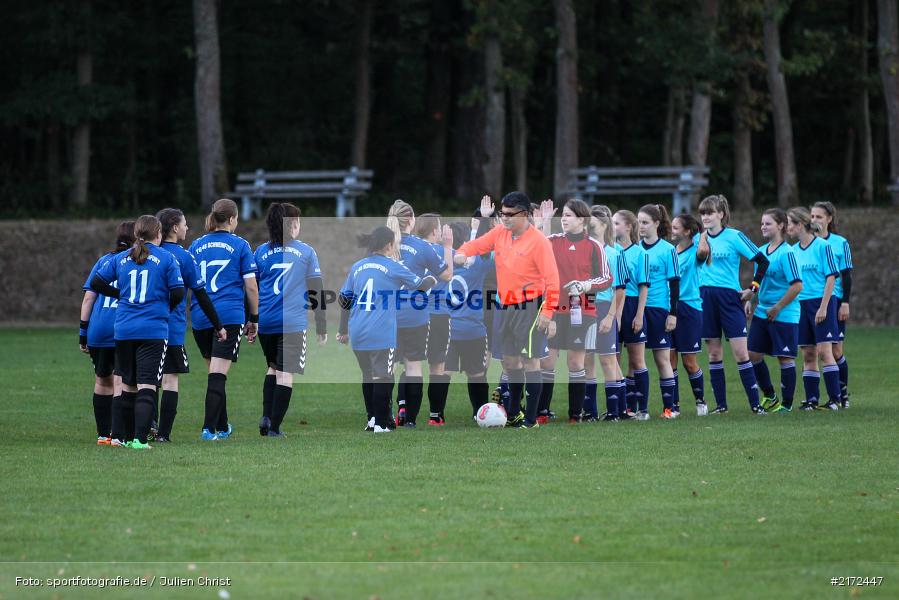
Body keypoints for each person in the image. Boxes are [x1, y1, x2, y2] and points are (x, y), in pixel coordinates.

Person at [454, 191, 561, 428]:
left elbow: (553, 280)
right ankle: (514, 413)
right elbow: (476, 245)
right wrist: (461, 253)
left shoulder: (539, 242)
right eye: (502, 213)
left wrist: (547, 312)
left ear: (524, 214)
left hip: (530, 307)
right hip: (504, 306)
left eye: (509, 214)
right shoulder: (500, 233)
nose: (504, 218)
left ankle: (531, 420)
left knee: (531, 362)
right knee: (510, 362)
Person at [90, 215, 185, 449]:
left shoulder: (122, 258)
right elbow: (179, 292)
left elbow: (97, 283)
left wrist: (121, 295)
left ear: (136, 235)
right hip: (153, 329)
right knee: (148, 385)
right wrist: (164, 307)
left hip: (123, 329)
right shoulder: (166, 257)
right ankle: (140, 440)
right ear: (159, 234)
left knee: (128, 385)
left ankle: (126, 437)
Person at [337, 226, 436, 432]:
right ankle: (381, 424)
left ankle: (372, 419)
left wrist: (343, 329)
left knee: (367, 374)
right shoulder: (393, 266)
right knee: (383, 376)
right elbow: (420, 287)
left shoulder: (358, 266)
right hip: (380, 331)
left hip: (358, 329)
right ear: (389, 245)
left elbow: (344, 299)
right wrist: (431, 280)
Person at [189, 198, 259, 440]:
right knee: (218, 373)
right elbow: (251, 287)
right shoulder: (240, 245)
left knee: (215, 372)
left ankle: (222, 425)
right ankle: (208, 429)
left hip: (200, 316)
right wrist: (254, 318)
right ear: (231, 219)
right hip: (228, 316)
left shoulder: (196, 245)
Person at [254, 203, 327, 437]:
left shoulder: (261, 252)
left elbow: (251, 288)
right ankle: (274, 428)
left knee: (272, 367)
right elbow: (316, 290)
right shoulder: (306, 252)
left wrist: (251, 319)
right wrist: (321, 325)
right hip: (292, 323)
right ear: (293, 224)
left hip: (266, 321)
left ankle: (266, 418)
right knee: (286, 374)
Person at [154, 208, 225, 442]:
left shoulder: (145, 253)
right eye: (184, 224)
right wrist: (218, 325)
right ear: (174, 228)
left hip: (142, 325)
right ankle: (163, 434)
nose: (187, 228)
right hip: (170, 328)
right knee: (170, 379)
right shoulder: (183, 257)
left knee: (146, 380)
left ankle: (145, 429)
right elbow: (201, 295)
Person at [695, 195, 770, 414]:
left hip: (730, 298)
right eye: (702, 213)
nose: (705, 217)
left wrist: (752, 289)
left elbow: (762, 260)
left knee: (741, 353)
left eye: (709, 212)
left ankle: (756, 405)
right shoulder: (700, 238)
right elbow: (697, 264)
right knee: (714, 354)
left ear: (721, 214)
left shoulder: (734, 236)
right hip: (705, 297)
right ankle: (721, 406)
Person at [539, 199, 612, 423]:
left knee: (575, 363)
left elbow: (607, 278)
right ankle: (542, 411)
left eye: (569, 215)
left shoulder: (594, 246)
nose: (565, 219)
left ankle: (575, 415)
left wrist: (586, 285)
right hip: (553, 310)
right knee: (547, 361)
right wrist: (543, 223)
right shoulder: (551, 241)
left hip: (583, 312)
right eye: (564, 215)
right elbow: (533, 247)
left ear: (582, 219)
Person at [386, 200, 452, 428]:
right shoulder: (422, 247)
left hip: (386, 315)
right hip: (414, 315)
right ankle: (410, 420)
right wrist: (447, 247)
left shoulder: (381, 244)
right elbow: (446, 276)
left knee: (387, 367)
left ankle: (382, 415)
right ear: (412, 220)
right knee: (413, 366)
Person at [79, 221, 134, 445]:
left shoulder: (103, 261)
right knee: (121, 382)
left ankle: (103, 434)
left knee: (102, 380)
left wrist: (83, 332)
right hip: (122, 328)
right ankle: (119, 435)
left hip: (98, 330)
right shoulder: (135, 261)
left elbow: (88, 298)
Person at [743, 208, 803, 412]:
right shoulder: (761, 252)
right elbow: (759, 281)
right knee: (752, 355)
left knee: (784, 358)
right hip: (763, 311)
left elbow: (797, 286)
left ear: (781, 225)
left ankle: (786, 405)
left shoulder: (787, 253)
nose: (763, 227)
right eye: (761, 223)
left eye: (767, 223)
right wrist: (752, 299)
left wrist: (778, 307)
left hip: (785, 313)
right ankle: (771, 397)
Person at [786, 207, 842, 410]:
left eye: (790, 223)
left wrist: (824, 307)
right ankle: (811, 400)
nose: (788, 227)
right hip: (800, 305)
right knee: (808, 353)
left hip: (821, 302)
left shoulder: (822, 246)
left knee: (825, 352)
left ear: (800, 225)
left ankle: (835, 400)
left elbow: (831, 278)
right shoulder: (791, 251)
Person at [445, 221, 494, 418]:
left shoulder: (440, 264)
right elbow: (488, 251)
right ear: (466, 241)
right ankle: (479, 412)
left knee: (442, 373)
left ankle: (435, 415)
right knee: (476, 374)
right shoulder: (478, 266)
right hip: (472, 329)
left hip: (446, 329)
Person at [584, 205, 627, 422]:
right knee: (587, 359)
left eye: (591, 223)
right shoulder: (583, 250)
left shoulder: (614, 253)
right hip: (584, 308)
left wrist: (611, 316)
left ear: (602, 225)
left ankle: (614, 412)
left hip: (603, 308)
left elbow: (620, 289)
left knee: (608, 360)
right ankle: (590, 412)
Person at [637, 204, 680, 419]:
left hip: (658, 310)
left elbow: (674, 285)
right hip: (637, 309)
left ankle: (669, 409)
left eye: (645, 222)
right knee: (635, 361)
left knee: (662, 359)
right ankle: (639, 409)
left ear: (656, 223)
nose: (641, 226)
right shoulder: (635, 248)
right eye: (638, 222)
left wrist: (673, 313)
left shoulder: (668, 250)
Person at [810, 201, 853, 408]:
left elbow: (846, 275)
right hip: (810, 302)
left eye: (819, 216)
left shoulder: (839, 243)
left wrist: (845, 302)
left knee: (835, 352)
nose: (814, 220)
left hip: (833, 301)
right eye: (812, 216)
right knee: (815, 352)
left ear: (829, 219)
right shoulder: (806, 244)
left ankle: (842, 394)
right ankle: (817, 398)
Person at [414, 213, 455, 426]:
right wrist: (449, 247)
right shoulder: (440, 251)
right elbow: (451, 270)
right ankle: (435, 416)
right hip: (438, 315)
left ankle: (404, 411)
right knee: (437, 367)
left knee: (410, 365)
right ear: (433, 231)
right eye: (439, 228)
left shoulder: (408, 250)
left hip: (413, 315)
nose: (441, 232)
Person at [612, 210, 649, 420]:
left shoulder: (641, 253)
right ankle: (619, 409)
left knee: (637, 361)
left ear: (628, 227)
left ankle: (642, 409)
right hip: (613, 305)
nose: (613, 226)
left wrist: (639, 315)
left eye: (617, 223)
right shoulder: (610, 250)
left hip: (633, 306)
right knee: (613, 360)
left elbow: (644, 287)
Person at [669, 214, 707, 416]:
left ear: (686, 231)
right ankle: (674, 406)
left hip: (690, 309)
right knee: (670, 359)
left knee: (689, 362)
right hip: (670, 308)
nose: (672, 231)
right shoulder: (671, 252)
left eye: (676, 228)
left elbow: (702, 251)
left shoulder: (696, 251)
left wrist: (702, 233)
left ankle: (701, 401)